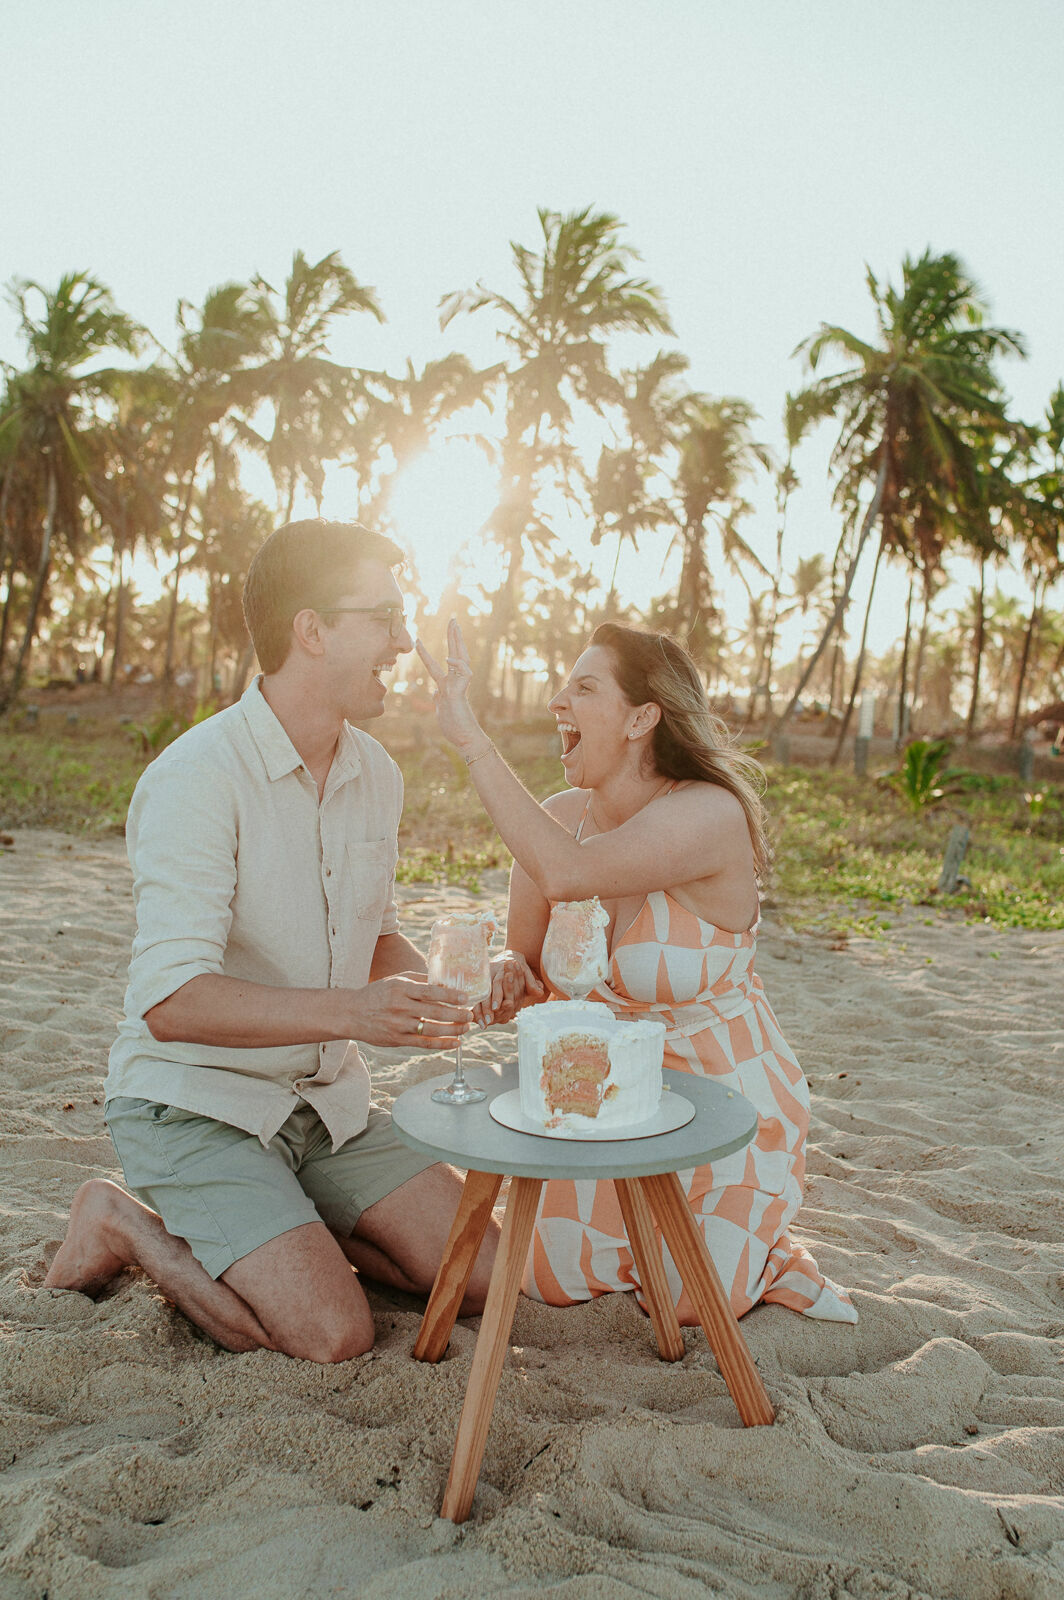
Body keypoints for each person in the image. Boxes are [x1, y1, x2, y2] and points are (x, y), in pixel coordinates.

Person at [45, 520, 526, 1361]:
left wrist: (449, 984)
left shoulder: (376, 772)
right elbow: (171, 1002)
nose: (404, 640)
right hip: (197, 1102)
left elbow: (374, 939)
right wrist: (356, 1013)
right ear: (311, 630)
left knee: (486, 1272)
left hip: (323, 1103)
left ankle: (286, 1229)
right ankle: (124, 1226)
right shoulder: (197, 779)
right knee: (333, 1333)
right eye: (383, 616)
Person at [418, 618, 856, 1325]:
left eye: (584, 688)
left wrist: (472, 742)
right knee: (547, 1280)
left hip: (721, 1108)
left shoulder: (708, 815)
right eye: (563, 685)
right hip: (601, 1099)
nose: (559, 701)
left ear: (642, 718)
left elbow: (567, 873)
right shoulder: (558, 817)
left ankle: (769, 1250)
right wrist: (506, 973)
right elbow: (527, 970)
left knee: (686, 1303)